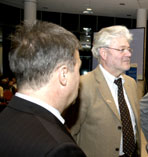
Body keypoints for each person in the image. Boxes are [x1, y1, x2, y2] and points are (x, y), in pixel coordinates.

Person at [0, 21, 86, 156]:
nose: (79, 78)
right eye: (78, 69)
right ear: (63, 74)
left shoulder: (6, 118)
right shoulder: (61, 149)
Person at [69, 25, 141, 157]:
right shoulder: (83, 85)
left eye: (129, 49)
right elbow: (70, 134)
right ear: (103, 53)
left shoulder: (131, 84)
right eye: (122, 49)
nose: (129, 54)